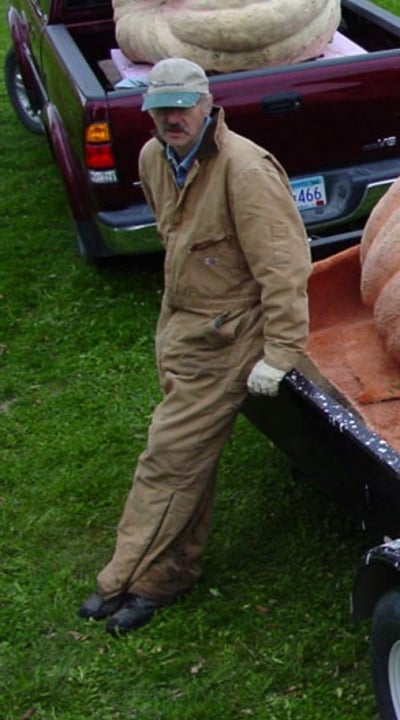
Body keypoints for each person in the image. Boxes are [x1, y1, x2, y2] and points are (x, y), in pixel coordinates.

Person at [78, 58, 312, 636]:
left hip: (230, 336)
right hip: (182, 327)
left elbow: (283, 267)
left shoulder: (245, 170)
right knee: (192, 461)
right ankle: (173, 571)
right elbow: (175, 238)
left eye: (183, 104)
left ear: (208, 104)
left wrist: (280, 352)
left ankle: (126, 579)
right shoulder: (153, 159)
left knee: (168, 459)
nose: (172, 116)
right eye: (161, 106)